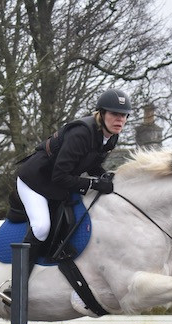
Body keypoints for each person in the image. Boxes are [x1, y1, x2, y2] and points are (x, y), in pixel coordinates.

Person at [14, 88, 131, 269]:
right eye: (115, 114)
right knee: (42, 227)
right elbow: (60, 175)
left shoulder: (110, 137)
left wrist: (106, 176)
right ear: (102, 114)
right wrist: (94, 183)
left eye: (124, 115)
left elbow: (90, 165)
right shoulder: (81, 134)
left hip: (57, 185)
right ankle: (16, 285)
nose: (120, 119)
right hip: (35, 181)